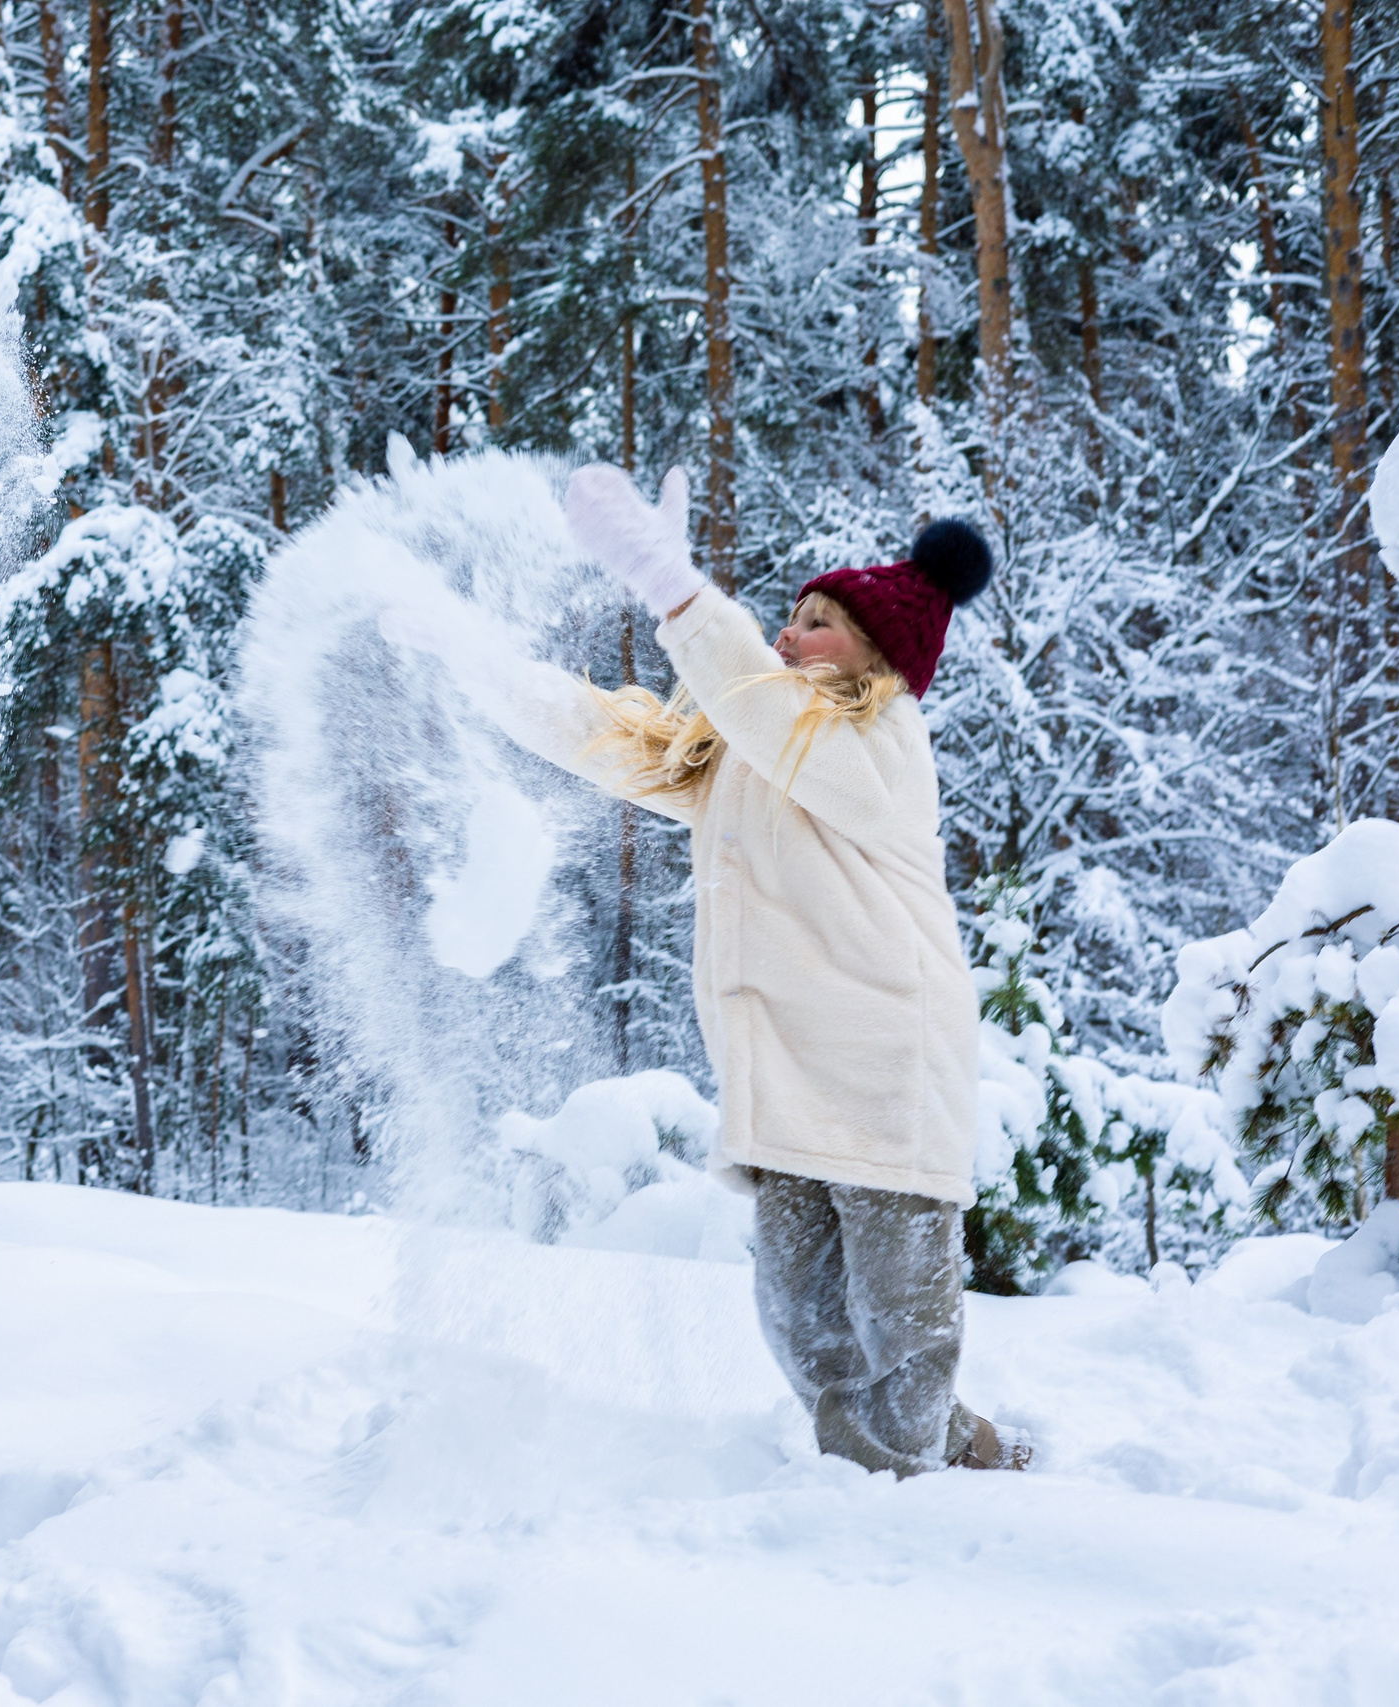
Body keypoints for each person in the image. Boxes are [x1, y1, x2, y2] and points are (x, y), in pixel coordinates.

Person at [398, 464, 1026, 1476]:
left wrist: (675, 587)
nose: (785, 635)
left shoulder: (882, 741)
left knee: (902, 1320)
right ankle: (895, 1459)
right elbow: (613, 738)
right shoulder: (752, 753)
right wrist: (472, 660)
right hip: (786, 1086)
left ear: (876, 653)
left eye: (814, 622)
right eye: (784, 618)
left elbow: (768, 712)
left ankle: (917, 1499)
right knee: (794, 1310)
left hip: (884, 1075)